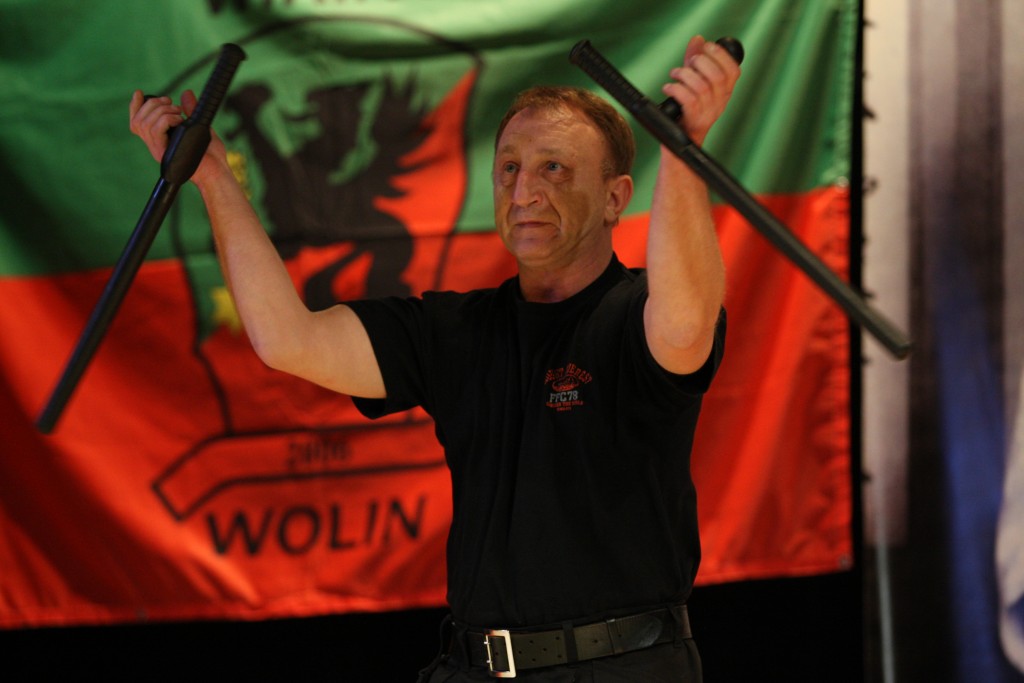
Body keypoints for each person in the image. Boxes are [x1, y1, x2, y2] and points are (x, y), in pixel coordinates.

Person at [130, 34, 740, 682]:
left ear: (617, 197)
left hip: (620, 666)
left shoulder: (639, 315)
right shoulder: (456, 330)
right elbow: (287, 339)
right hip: (472, 666)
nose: (524, 192)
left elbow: (684, 325)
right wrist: (213, 177)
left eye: (554, 169)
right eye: (509, 168)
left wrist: (683, 150)